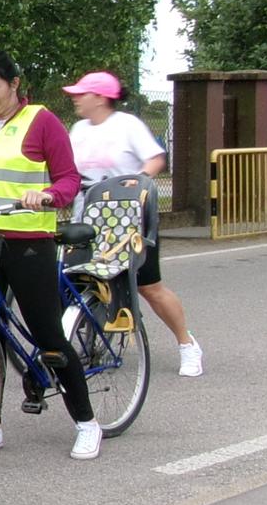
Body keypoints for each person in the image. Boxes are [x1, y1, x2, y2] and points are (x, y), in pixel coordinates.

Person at [0, 50, 100, 460]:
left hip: (26, 238)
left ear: (14, 84)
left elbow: (69, 177)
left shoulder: (41, 121)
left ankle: (87, 422)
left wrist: (49, 196)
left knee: (47, 332)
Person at [64, 70, 202, 377]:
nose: (75, 98)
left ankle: (187, 344)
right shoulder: (79, 129)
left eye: (81, 93)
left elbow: (155, 159)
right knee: (80, 280)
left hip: (127, 218)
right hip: (87, 217)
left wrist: (136, 182)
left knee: (149, 287)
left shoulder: (127, 125)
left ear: (100, 97)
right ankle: (94, 343)